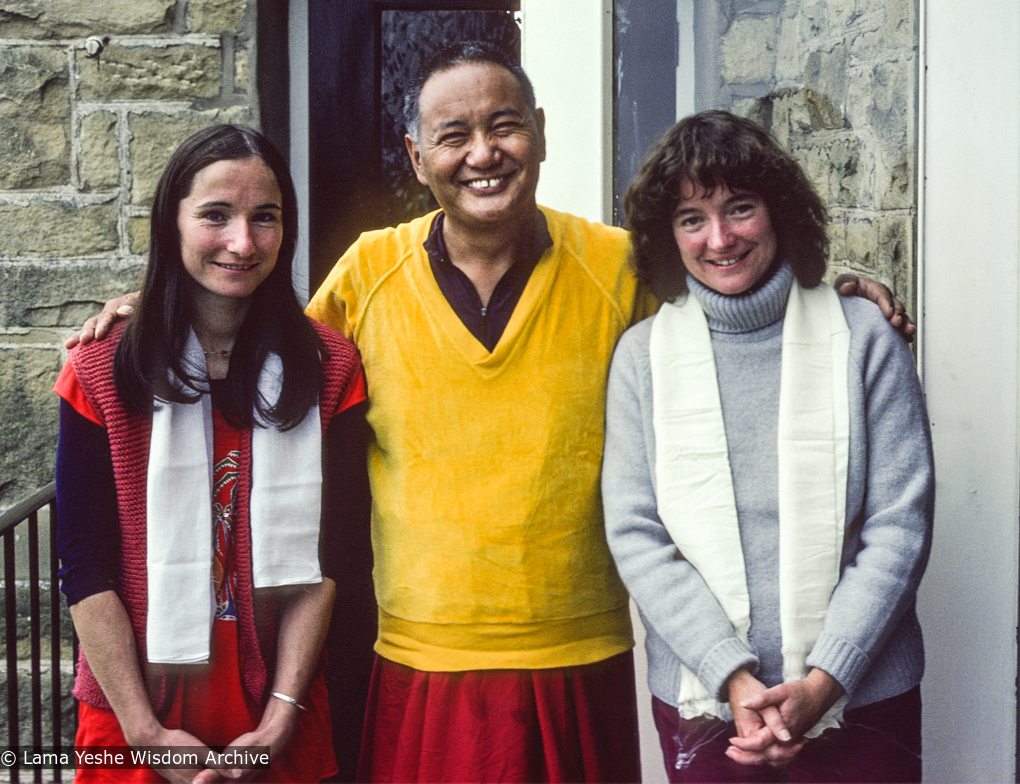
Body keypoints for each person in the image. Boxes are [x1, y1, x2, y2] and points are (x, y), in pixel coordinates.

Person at [68, 44, 914, 784]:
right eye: (454, 134)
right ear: (416, 155)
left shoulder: (618, 268)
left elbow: (729, 296)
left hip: (580, 652)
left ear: (539, 132)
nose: (483, 153)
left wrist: (832, 288)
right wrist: (149, 308)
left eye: (504, 126)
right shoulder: (367, 274)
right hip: (420, 657)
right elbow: (265, 341)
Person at [602, 110, 934, 783]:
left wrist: (823, 682)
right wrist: (731, 675)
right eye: (691, 218)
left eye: (740, 208)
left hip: (865, 702)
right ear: (667, 235)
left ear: (779, 210)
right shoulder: (641, 357)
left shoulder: (865, 337)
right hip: (707, 702)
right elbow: (637, 534)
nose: (719, 238)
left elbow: (900, 526)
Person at [54, 125, 370, 783]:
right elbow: (85, 566)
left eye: (265, 217)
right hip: (134, 714)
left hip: (279, 708)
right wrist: (145, 733)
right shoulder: (101, 369)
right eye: (215, 216)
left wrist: (280, 720)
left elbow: (332, 555)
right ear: (171, 223)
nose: (243, 242)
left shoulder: (330, 368)